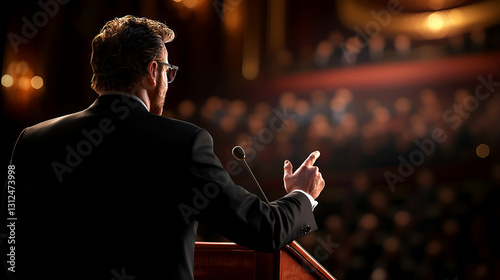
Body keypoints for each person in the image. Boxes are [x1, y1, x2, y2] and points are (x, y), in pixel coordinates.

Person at [1, 15, 325, 280]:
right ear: (153, 73)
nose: (168, 79)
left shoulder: (32, 139)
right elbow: (262, 229)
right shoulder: (183, 142)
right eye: (168, 70)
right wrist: (303, 195)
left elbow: (11, 245)